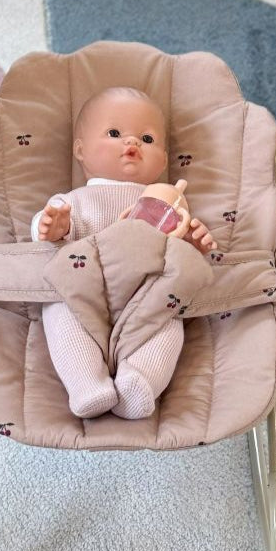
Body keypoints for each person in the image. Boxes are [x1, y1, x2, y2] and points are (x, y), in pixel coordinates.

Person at [32, 86, 216, 420]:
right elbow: (49, 237)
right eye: (115, 133)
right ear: (81, 150)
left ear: (162, 160)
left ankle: (140, 378)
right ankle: (86, 383)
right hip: (87, 295)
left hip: (145, 298)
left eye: (146, 139)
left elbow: (176, 254)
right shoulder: (77, 200)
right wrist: (52, 225)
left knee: (169, 321)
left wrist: (194, 242)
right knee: (58, 307)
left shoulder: (165, 206)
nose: (131, 144)